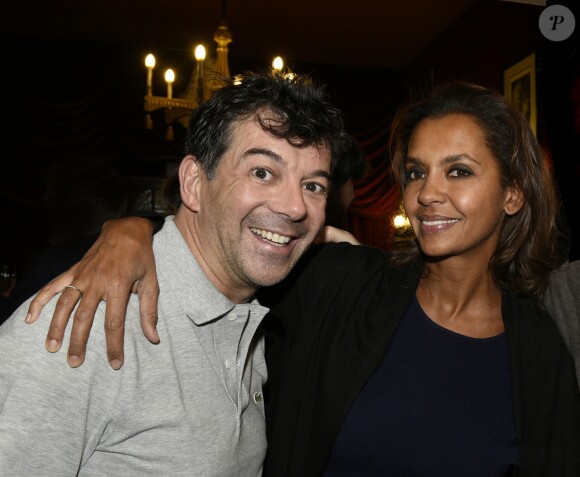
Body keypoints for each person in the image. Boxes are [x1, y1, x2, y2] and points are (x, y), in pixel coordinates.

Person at [25, 81, 580, 475]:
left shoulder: (537, 350)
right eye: (415, 172)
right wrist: (131, 230)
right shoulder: (341, 282)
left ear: (513, 193)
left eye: (458, 171)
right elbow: (224, 243)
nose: (428, 192)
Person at [0, 70, 352, 475]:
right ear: (193, 183)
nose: (295, 207)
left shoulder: (244, 316)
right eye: (262, 172)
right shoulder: (86, 325)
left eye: (313, 186)